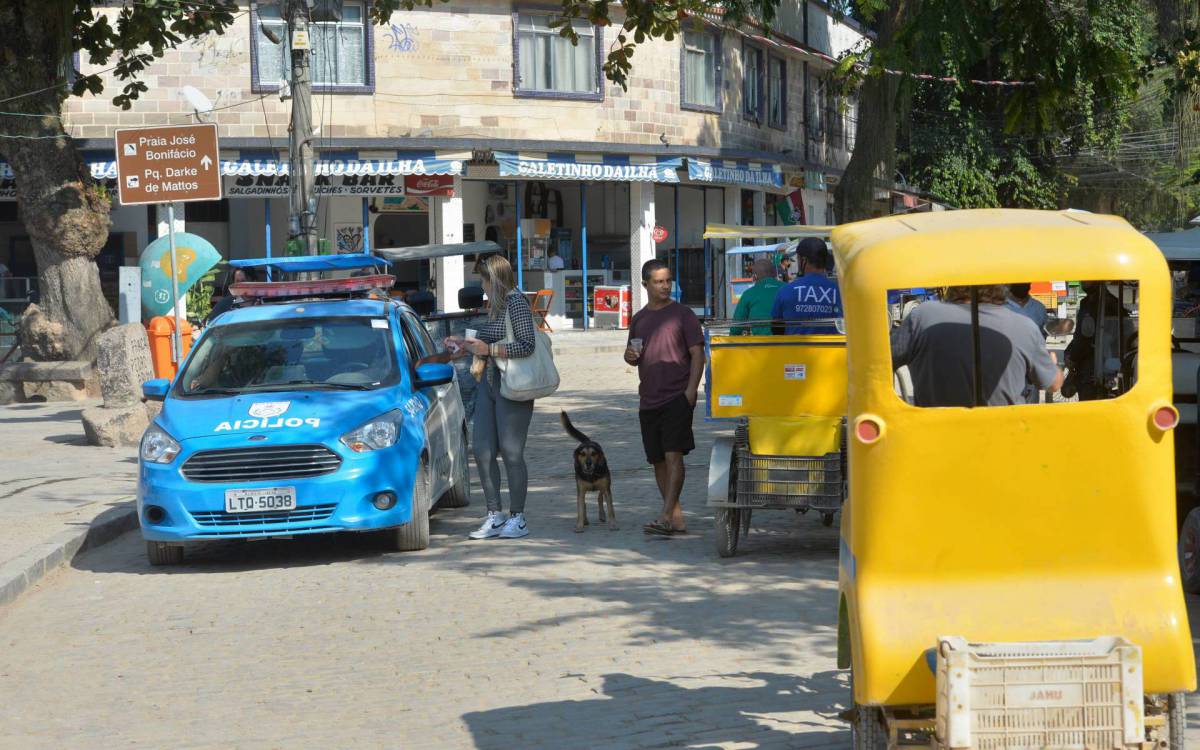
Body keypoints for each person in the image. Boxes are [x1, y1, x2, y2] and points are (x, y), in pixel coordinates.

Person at [445, 254, 538, 540]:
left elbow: (527, 345)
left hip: (513, 384)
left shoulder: (516, 302)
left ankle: (518, 517)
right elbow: (487, 339)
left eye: (484, 280)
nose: (482, 286)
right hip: (488, 382)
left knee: (511, 452)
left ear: (495, 279)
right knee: (482, 450)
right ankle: (494, 515)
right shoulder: (495, 306)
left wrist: (490, 350)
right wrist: (462, 344)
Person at [624, 259, 705, 536]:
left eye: (668, 280)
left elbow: (698, 354)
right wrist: (630, 356)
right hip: (648, 398)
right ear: (645, 284)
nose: (665, 286)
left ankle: (665, 515)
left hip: (676, 396)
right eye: (659, 282)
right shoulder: (639, 318)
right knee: (657, 460)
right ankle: (676, 518)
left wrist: (691, 391)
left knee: (674, 456)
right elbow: (632, 355)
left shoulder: (683, 314)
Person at [891, 284, 1063, 407]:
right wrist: (1052, 365)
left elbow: (881, 362)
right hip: (1004, 438)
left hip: (934, 437)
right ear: (1002, 287)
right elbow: (1053, 384)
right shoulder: (1024, 327)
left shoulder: (922, 317)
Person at [1062, 282, 1135, 400]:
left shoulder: (1105, 304)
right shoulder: (1090, 302)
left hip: (1095, 368)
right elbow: (1080, 335)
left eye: (1088, 279)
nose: (1084, 281)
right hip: (1104, 366)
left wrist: (1072, 357)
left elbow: (1084, 339)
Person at [770, 237, 842, 334]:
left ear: (803, 260)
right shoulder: (839, 292)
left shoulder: (785, 291)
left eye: (798, 259)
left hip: (795, 344)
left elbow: (776, 328)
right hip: (833, 344)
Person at [731, 258, 781, 335]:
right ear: (775, 274)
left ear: (755, 276)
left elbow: (736, 328)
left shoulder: (748, 294)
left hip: (760, 341)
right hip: (790, 340)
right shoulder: (787, 288)